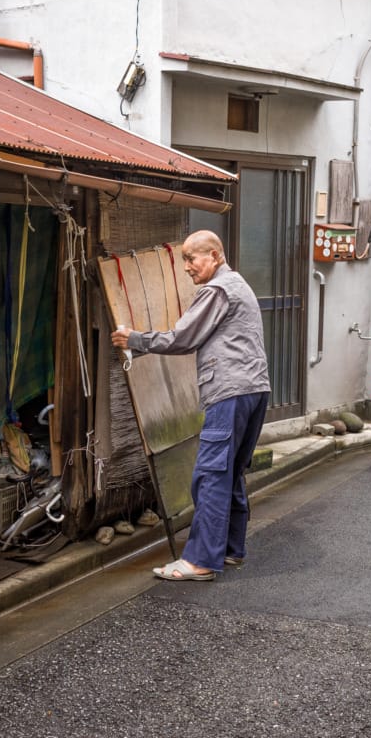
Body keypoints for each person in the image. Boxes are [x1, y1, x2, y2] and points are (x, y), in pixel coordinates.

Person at [111, 230, 270, 581]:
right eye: (184, 259)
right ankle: (229, 548)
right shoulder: (239, 285)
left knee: (211, 474)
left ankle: (200, 560)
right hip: (254, 389)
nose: (186, 267)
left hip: (229, 391)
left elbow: (182, 338)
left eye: (191, 259)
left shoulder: (218, 290)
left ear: (214, 256)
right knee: (229, 472)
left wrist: (135, 339)